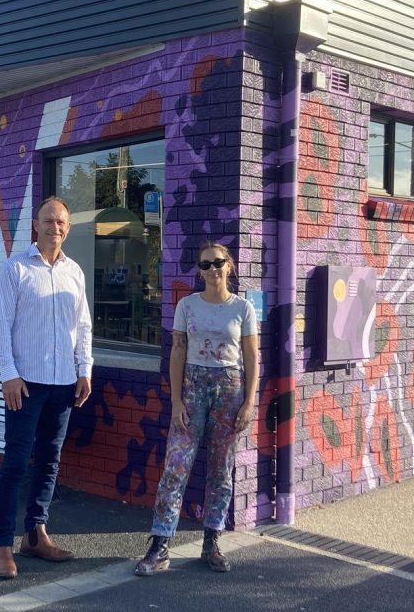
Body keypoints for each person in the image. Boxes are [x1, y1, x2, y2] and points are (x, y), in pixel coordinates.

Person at [134, 241, 259, 576]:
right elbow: (177, 352)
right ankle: (160, 545)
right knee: (176, 466)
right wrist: (176, 401)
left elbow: (251, 358)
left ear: (229, 265)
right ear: (199, 271)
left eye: (218, 263)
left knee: (221, 470)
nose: (212, 269)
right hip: (192, 388)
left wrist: (248, 402)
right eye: (205, 265)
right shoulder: (187, 306)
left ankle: (211, 542)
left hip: (229, 390)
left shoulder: (242, 308)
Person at [0, 196, 93, 580]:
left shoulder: (75, 273)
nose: (56, 227)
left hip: (63, 384)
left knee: (49, 463)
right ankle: (2, 545)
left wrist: (85, 370)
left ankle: (36, 533)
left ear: (68, 228)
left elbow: (82, 326)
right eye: (49, 220)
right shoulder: (16, 269)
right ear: (36, 225)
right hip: (25, 384)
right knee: (16, 464)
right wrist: (8, 374)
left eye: (62, 222)